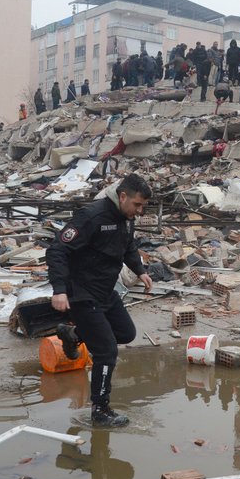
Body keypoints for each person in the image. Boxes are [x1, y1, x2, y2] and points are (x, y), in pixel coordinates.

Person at [47, 174, 154, 427]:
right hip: (82, 292)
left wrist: (140, 270)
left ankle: (73, 334)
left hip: (106, 290)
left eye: (143, 207)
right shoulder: (92, 216)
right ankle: (100, 410)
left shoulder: (127, 219)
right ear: (123, 196)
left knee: (126, 333)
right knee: (106, 351)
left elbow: (128, 246)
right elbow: (57, 250)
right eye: (136, 205)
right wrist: (59, 289)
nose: (139, 211)